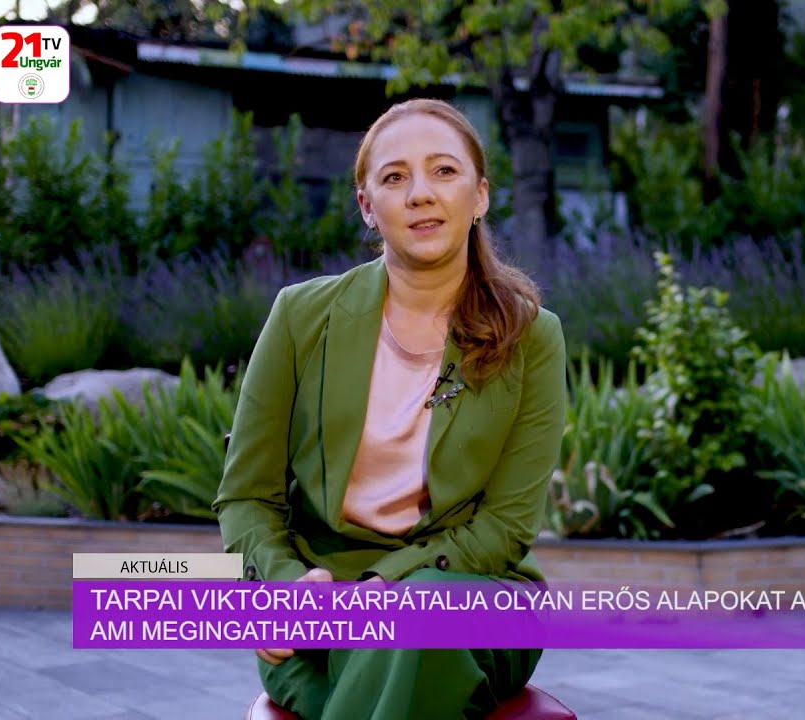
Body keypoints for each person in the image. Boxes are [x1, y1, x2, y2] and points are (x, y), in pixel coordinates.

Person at [213, 98, 568, 719]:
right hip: (319, 608)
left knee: (416, 619)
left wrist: (385, 589)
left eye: (444, 171)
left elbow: (506, 527)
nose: (421, 193)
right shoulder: (300, 316)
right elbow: (246, 495)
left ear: (480, 196)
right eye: (396, 177)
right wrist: (283, 587)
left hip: (472, 595)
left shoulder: (533, 336)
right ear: (367, 206)